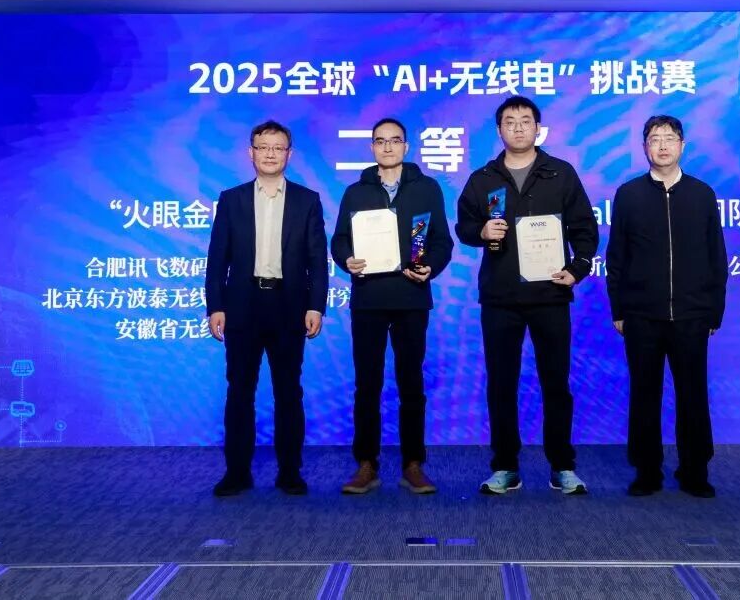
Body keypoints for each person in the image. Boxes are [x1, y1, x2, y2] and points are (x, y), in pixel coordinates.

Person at [455, 96, 599, 496]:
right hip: (500, 297)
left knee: (556, 383)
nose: (517, 127)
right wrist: (481, 232)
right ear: (499, 130)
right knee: (501, 384)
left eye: (525, 121)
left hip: (550, 293)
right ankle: (505, 466)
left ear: (538, 128)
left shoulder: (560, 174)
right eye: (509, 121)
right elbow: (463, 225)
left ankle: (562, 466)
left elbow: (585, 229)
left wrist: (577, 268)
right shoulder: (483, 178)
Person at [606, 115, 728, 498]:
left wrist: (714, 310)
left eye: (670, 138)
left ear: (682, 145)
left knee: (693, 395)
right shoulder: (629, 195)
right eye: (654, 139)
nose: (662, 145)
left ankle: (695, 470)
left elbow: (716, 256)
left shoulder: (702, 194)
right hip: (642, 315)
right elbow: (616, 257)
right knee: (644, 395)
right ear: (644, 147)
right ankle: (647, 471)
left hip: (692, 315)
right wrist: (619, 310)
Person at [330, 118, 453, 495]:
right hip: (368, 298)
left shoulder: (427, 189)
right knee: (367, 385)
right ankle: (366, 464)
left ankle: (413, 464)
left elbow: (442, 242)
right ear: (371, 147)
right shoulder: (356, 192)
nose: (387, 147)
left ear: (406, 146)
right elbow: (339, 240)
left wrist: (431, 267)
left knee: (411, 383)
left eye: (395, 140)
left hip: (411, 297)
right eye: (380, 141)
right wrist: (346, 260)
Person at [205, 120, 327, 497]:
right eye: (263, 147)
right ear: (251, 153)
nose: (270, 154)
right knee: (240, 391)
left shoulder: (307, 200)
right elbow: (217, 258)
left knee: (288, 392)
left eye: (278, 148)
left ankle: (290, 471)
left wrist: (316, 306)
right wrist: (215, 306)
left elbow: (317, 260)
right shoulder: (232, 199)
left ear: (289, 154)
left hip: (289, 306)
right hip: (242, 305)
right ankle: (236, 472)